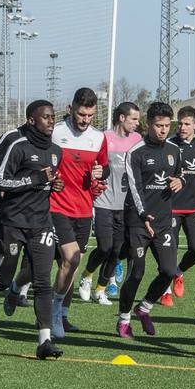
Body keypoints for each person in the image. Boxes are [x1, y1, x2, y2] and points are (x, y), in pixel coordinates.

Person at [0, 100, 65, 360]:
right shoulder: (18, 146)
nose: (51, 121)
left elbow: (47, 183)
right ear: (31, 120)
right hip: (13, 221)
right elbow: (0, 180)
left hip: (41, 223)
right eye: (46, 117)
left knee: (43, 281)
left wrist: (54, 186)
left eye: (53, 117)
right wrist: (35, 179)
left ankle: (44, 341)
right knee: (4, 277)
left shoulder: (55, 151)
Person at [117, 102, 183, 338]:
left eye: (167, 125)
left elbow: (180, 173)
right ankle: (124, 320)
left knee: (169, 271)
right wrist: (144, 215)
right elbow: (135, 189)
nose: (163, 130)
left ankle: (143, 308)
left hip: (164, 222)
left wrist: (180, 181)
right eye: (159, 125)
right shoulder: (136, 152)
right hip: (138, 222)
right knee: (136, 273)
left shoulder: (175, 150)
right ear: (148, 124)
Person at [46, 88, 107, 337]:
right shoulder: (55, 132)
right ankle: (52, 311)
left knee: (70, 265)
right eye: (82, 114)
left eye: (90, 116)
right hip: (56, 206)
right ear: (71, 109)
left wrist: (101, 175)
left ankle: (62, 315)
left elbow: (103, 168)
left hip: (84, 210)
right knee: (70, 259)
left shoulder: (98, 137)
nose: (85, 120)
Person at [77, 101, 141, 306]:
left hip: (126, 205)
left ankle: (101, 289)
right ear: (121, 118)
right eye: (134, 119)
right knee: (105, 247)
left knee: (117, 250)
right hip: (103, 202)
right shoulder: (103, 138)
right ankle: (86, 276)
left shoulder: (138, 140)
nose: (137, 124)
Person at [164, 105, 195, 305]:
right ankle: (165, 289)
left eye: (187, 124)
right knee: (170, 250)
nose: (182, 127)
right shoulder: (169, 144)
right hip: (172, 206)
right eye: (180, 123)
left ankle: (179, 272)